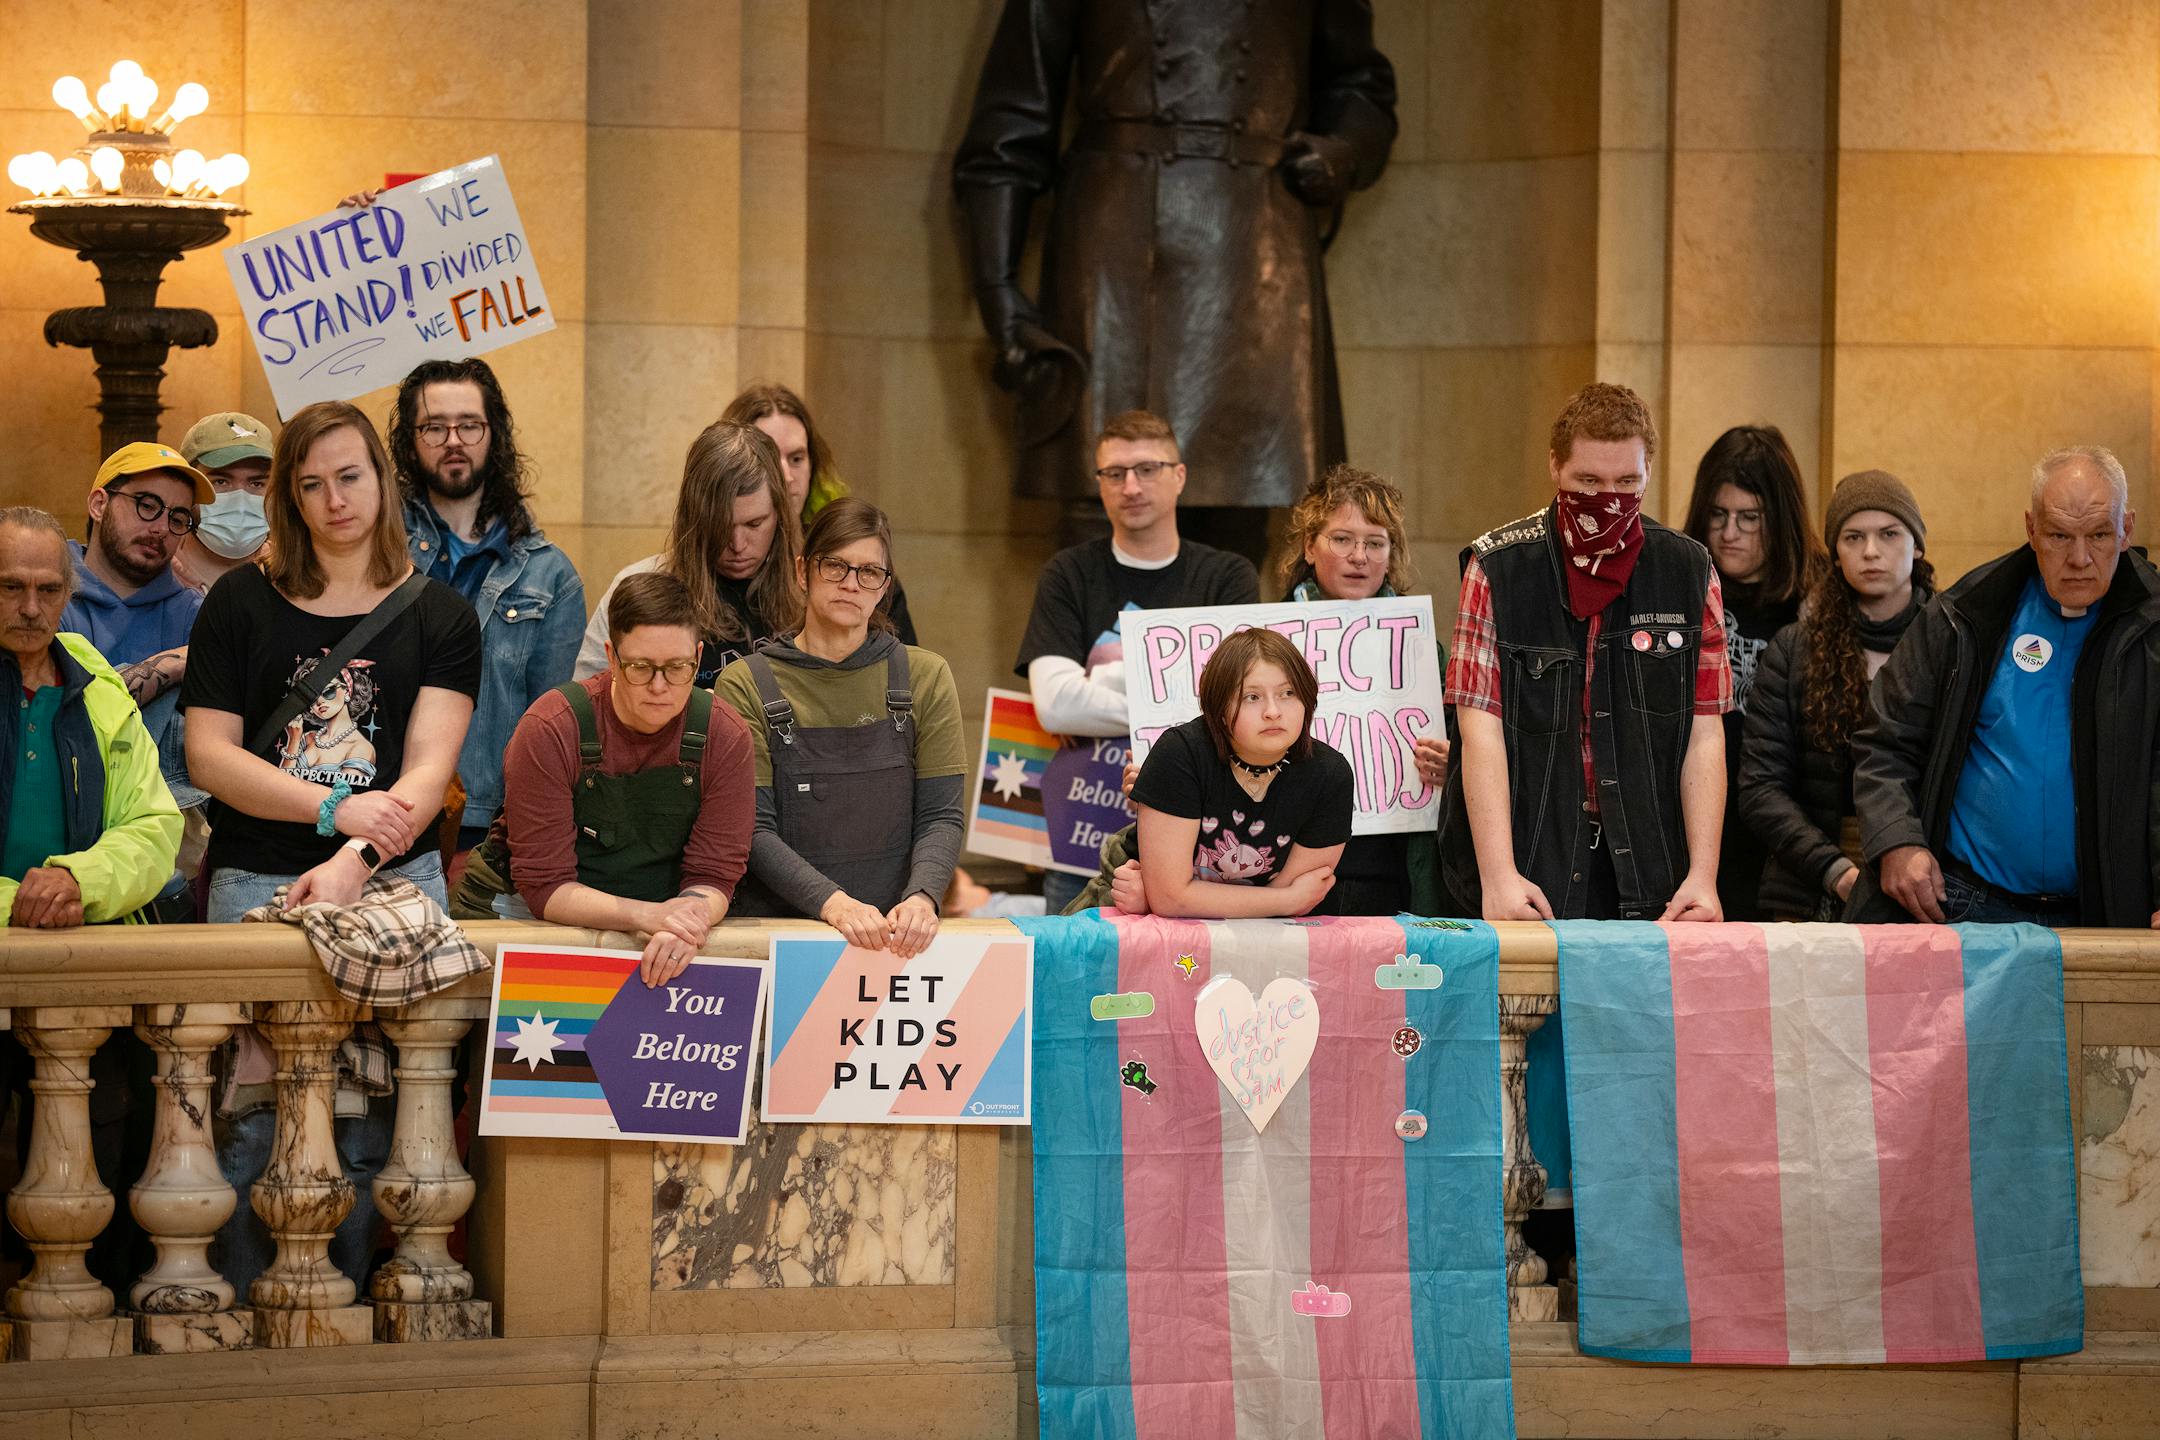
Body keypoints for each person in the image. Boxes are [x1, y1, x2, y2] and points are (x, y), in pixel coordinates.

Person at [181, 400, 481, 1294]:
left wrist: (354, 858)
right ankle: (236, 1329)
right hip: (255, 883)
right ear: (288, 496)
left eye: (349, 476)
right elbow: (210, 756)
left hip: (391, 883)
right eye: (309, 484)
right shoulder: (241, 600)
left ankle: (334, 1322)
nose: (333, 500)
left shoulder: (440, 613)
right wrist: (333, 816)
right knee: (247, 1123)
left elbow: (427, 773)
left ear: (384, 481)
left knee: (365, 1126)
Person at [953, 0, 1397, 561]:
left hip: (1251, 248)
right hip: (1114, 250)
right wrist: (999, 294)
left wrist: (1344, 151)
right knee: (1102, 501)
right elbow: (1009, 126)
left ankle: (1227, 652)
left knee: (1234, 505)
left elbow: (1361, 83)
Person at [1438, 382, 1733, 922]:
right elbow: (1479, 729)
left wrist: (1703, 876)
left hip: (1653, 869)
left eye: (1627, 481)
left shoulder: (1689, 571)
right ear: (1555, 467)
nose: (1607, 498)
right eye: (1588, 481)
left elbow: (1705, 731)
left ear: (1649, 472)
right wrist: (1499, 875)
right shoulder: (1498, 568)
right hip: (1529, 861)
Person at [1852, 446, 2160, 927]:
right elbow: (1884, 741)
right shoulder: (1966, 614)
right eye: (2059, 535)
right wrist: (1897, 841)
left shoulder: (2153, 627)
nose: (2079, 558)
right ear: (2031, 529)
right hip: (1965, 903)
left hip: (2105, 915)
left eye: (2098, 534)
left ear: (2126, 530)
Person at [1, 505, 182, 1291]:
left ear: (69, 590)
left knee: (106, 1150)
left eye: (47, 588)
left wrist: (79, 880)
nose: (31, 608)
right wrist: (17, 900)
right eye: (9, 587)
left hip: (85, 964)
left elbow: (155, 825)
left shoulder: (94, 681)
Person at [1014, 409, 1260, 912]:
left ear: (1179, 476)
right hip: (1082, 829)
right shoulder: (1068, 574)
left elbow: (1238, 703)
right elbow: (1057, 704)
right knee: (1078, 976)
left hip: (1204, 840)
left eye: (1147, 469)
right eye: (1114, 473)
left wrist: (1102, 681)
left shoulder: (1228, 576)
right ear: (1100, 483)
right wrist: (1180, 705)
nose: (1131, 486)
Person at [714, 499, 966, 958]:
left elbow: (941, 816)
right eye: (835, 566)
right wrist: (835, 905)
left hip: (893, 941)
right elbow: (751, 830)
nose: (851, 584)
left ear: (884, 588)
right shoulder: (746, 682)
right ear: (801, 571)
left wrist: (923, 897)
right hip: (776, 938)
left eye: (869, 572)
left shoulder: (926, 676)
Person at [502, 571, 756, 988]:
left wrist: (684, 920)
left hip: (665, 931)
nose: (660, 687)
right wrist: (647, 915)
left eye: (678, 668)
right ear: (611, 656)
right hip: (532, 922)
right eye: (640, 667)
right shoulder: (551, 727)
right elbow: (545, 885)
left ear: (697, 656)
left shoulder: (724, 735)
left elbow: (714, 875)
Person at [392, 357, 586, 852]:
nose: (453, 440)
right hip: (380, 812)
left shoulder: (552, 576)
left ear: (493, 434)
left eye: (469, 425)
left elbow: (550, 729)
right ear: (410, 441)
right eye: (434, 427)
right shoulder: (379, 553)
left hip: (491, 830)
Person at [1740, 471, 1932, 920]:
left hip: (1925, 881)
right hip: (1807, 887)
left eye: (1889, 534)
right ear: (1835, 551)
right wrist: (1837, 871)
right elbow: (1760, 786)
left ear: (1917, 545)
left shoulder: (1949, 646)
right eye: (1853, 537)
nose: (1870, 551)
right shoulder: (1795, 648)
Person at [1270, 463, 1450, 914]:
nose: (1359, 556)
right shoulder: (1261, 644)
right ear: (1310, 547)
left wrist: (1454, 765)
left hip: (1397, 878)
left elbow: (1474, 758)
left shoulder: (1426, 651)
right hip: (1286, 874)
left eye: (1375, 543)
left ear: (1392, 555)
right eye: (1342, 539)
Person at [1680, 425, 1826, 921]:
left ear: (1780, 520)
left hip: (1788, 844)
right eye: (1718, 515)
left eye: (1749, 518)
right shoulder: (1678, 587)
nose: (1728, 533)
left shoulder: (1822, 601)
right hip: (1693, 834)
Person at [1107, 628, 1351, 919]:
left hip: (1274, 936)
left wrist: (1176, 897)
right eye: (1252, 697)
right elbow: (1171, 899)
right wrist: (1286, 900)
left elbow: (1297, 902)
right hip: (1140, 915)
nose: (1273, 711)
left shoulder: (1330, 774)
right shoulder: (1180, 753)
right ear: (1220, 708)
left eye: (1288, 693)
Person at [578, 421, 802, 683]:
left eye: (754, 524)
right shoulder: (638, 585)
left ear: (780, 515)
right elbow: (589, 704)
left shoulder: (808, 590)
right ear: (693, 519)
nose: (738, 544)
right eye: (720, 526)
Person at [720, 383, 917, 643]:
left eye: (797, 458)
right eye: (766, 458)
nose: (786, 477)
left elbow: (904, 670)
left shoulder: (855, 560)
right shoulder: (724, 558)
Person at [61, 441, 214, 707]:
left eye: (177, 519)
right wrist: (172, 665)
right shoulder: (47, 594)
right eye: (147, 505)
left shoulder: (196, 616)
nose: (162, 528)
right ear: (99, 505)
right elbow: (66, 714)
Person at [174, 411, 276, 594]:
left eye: (256, 483)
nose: (240, 500)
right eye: (220, 481)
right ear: (187, 485)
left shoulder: (292, 578)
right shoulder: (156, 574)